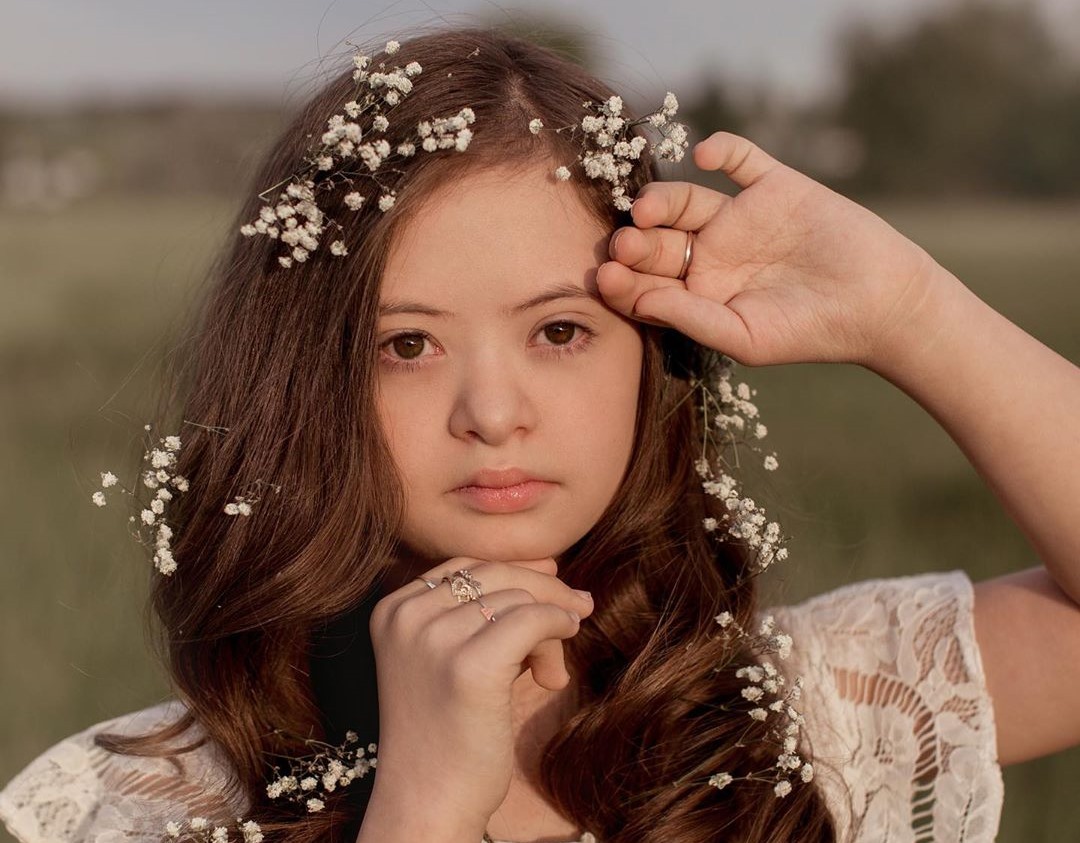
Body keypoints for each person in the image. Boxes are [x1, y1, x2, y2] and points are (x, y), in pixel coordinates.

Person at [2, 23, 1079, 843]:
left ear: (650, 355)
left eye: (560, 330)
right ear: (307, 380)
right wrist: (417, 812)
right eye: (408, 346)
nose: (494, 412)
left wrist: (911, 312)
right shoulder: (124, 804)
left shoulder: (810, 717)